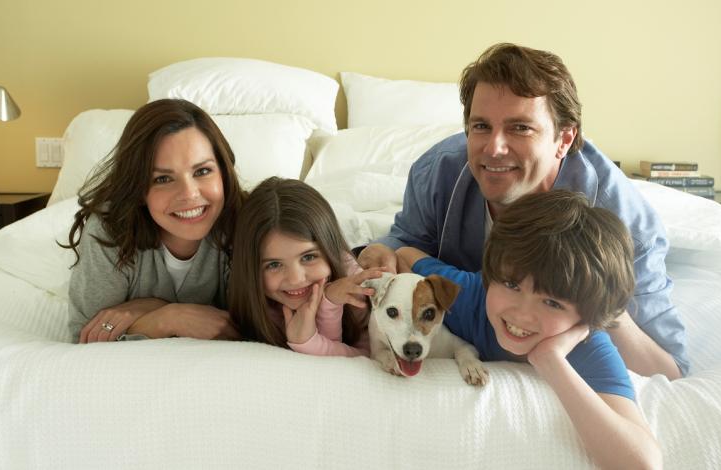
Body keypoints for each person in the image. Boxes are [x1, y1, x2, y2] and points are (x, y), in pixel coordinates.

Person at [358, 42, 688, 379]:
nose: (494, 148)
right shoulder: (435, 174)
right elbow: (402, 247)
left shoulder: (629, 226)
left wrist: (599, 305)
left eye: (520, 128)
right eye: (481, 126)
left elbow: (670, 371)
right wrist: (380, 253)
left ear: (564, 140)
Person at [397, 190, 662, 469]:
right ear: (490, 278)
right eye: (512, 286)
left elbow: (642, 463)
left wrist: (551, 362)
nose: (521, 315)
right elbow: (405, 256)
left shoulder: (588, 346)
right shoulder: (468, 296)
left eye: (552, 303)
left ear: (583, 317)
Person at [63, 99, 245, 344]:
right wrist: (167, 317)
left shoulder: (247, 225)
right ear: (138, 188)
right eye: (162, 179)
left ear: (223, 172)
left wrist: (145, 310)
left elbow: (254, 328)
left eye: (202, 171)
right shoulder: (110, 230)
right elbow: (85, 337)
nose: (190, 194)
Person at [229, 177, 382, 356]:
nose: (295, 279)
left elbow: (371, 356)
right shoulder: (258, 302)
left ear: (330, 249)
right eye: (274, 264)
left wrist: (328, 308)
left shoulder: (354, 287)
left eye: (308, 257)